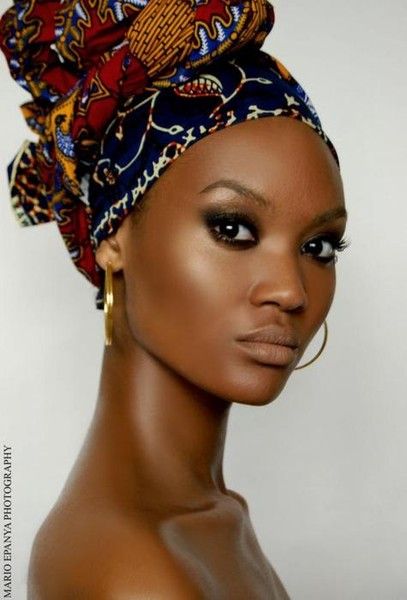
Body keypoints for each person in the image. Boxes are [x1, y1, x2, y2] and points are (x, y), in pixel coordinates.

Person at [0, 0, 349, 597]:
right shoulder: (133, 572)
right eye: (233, 228)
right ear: (113, 236)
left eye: (319, 246)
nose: (291, 290)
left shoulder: (218, 515)